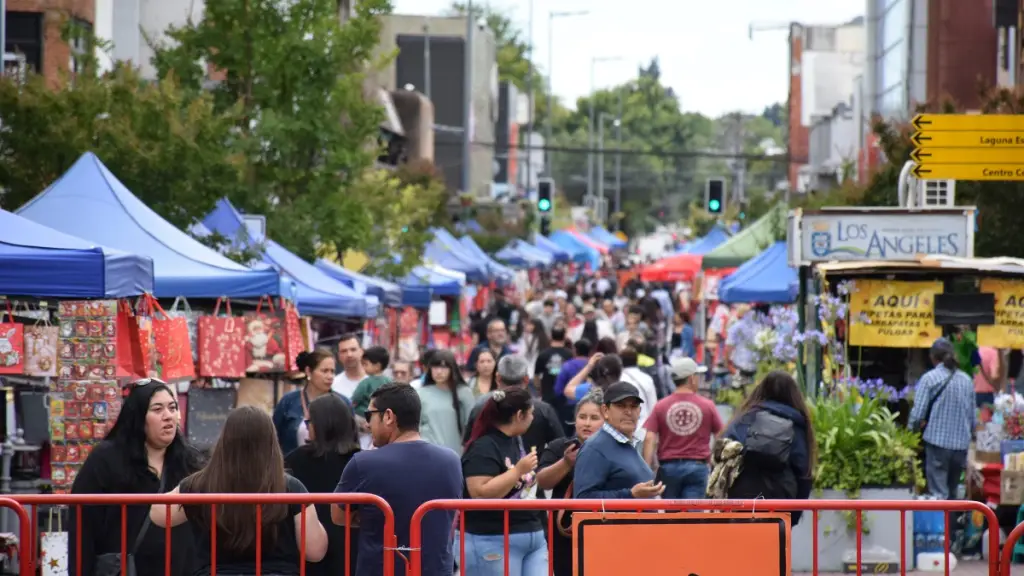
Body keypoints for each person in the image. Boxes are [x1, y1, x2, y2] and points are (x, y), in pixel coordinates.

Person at [151, 406, 329, 575]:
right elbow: (315, 551)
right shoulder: (290, 488)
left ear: (224, 441)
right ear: (271, 443)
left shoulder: (199, 485)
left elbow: (159, 514)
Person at [71, 379, 203, 576]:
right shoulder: (106, 460)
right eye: (158, 410)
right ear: (139, 417)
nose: (168, 416)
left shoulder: (189, 462)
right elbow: (83, 529)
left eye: (172, 408)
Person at [335, 383, 463, 576]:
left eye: (370, 415)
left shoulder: (363, 463)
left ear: (388, 416)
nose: (367, 424)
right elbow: (451, 514)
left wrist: (374, 516)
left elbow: (338, 516)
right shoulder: (451, 460)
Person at [460, 388, 546, 576]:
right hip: (493, 536)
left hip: (532, 534)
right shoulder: (483, 447)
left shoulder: (516, 440)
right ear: (519, 415)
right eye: (530, 413)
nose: (533, 418)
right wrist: (517, 471)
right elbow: (479, 493)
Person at [722, 371, 815, 524]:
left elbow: (723, 455)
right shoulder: (796, 424)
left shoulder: (745, 418)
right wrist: (793, 517)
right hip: (779, 506)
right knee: (774, 547)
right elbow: (803, 473)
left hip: (741, 503)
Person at [285, 394, 362, 576]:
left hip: (308, 554)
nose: (307, 427)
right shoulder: (361, 461)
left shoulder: (295, 460)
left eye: (308, 422)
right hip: (353, 553)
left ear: (320, 425)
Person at [537, 392, 605, 576]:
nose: (587, 423)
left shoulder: (613, 450)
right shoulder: (560, 447)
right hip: (564, 535)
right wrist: (566, 463)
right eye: (582, 417)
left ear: (605, 420)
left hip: (603, 531)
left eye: (594, 418)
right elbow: (543, 481)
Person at [643, 357, 722, 499]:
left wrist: (646, 471)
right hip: (697, 467)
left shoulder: (661, 406)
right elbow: (720, 436)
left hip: (668, 468)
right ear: (692, 378)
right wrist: (718, 465)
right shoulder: (707, 405)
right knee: (693, 517)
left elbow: (650, 438)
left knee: (671, 518)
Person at [909, 338, 976, 499]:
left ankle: (942, 524)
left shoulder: (929, 379)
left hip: (937, 445)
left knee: (939, 494)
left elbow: (918, 414)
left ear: (933, 357)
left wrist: (910, 434)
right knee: (953, 493)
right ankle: (952, 524)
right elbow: (972, 418)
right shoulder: (966, 380)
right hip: (960, 446)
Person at [573, 382, 663, 500]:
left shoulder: (630, 443)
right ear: (605, 411)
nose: (628, 412)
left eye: (633, 406)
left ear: (639, 411)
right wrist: (630, 494)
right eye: (621, 406)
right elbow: (583, 499)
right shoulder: (595, 448)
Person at [464, 355, 564, 460]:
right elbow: (560, 448)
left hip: (487, 471)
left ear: (498, 378)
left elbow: (468, 443)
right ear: (526, 379)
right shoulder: (543, 410)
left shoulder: (481, 405)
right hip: (533, 471)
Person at [274, 349, 352, 456]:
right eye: (324, 371)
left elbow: (352, 441)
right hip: (292, 468)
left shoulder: (343, 403)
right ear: (308, 371)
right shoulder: (288, 401)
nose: (330, 376)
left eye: (332, 371)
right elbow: (274, 439)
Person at [417, 349, 475, 454]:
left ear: (452, 369)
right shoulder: (421, 393)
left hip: (456, 454)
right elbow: (416, 426)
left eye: (444, 367)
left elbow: (471, 425)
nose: (439, 371)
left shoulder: (463, 393)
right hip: (427, 452)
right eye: (435, 367)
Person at [619, 347, 659, 437]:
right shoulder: (647, 378)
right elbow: (653, 404)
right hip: (647, 429)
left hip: (626, 430)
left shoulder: (619, 380)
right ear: (636, 360)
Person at [534, 327, 573, 404]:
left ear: (551, 336)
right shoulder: (570, 354)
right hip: (565, 396)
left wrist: (539, 389)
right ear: (564, 337)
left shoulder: (543, 354)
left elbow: (536, 376)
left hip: (547, 395)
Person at [351, 346, 392, 414]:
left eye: (365, 364)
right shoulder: (390, 381)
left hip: (365, 416)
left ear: (377, 366)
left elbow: (355, 400)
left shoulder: (365, 383)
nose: (363, 367)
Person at [332, 333, 366, 400]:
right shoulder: (333, 385)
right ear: (339, 356)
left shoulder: (375, 381)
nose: (349, 354)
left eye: (353, 349)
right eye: (344, 351)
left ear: (362, 352)